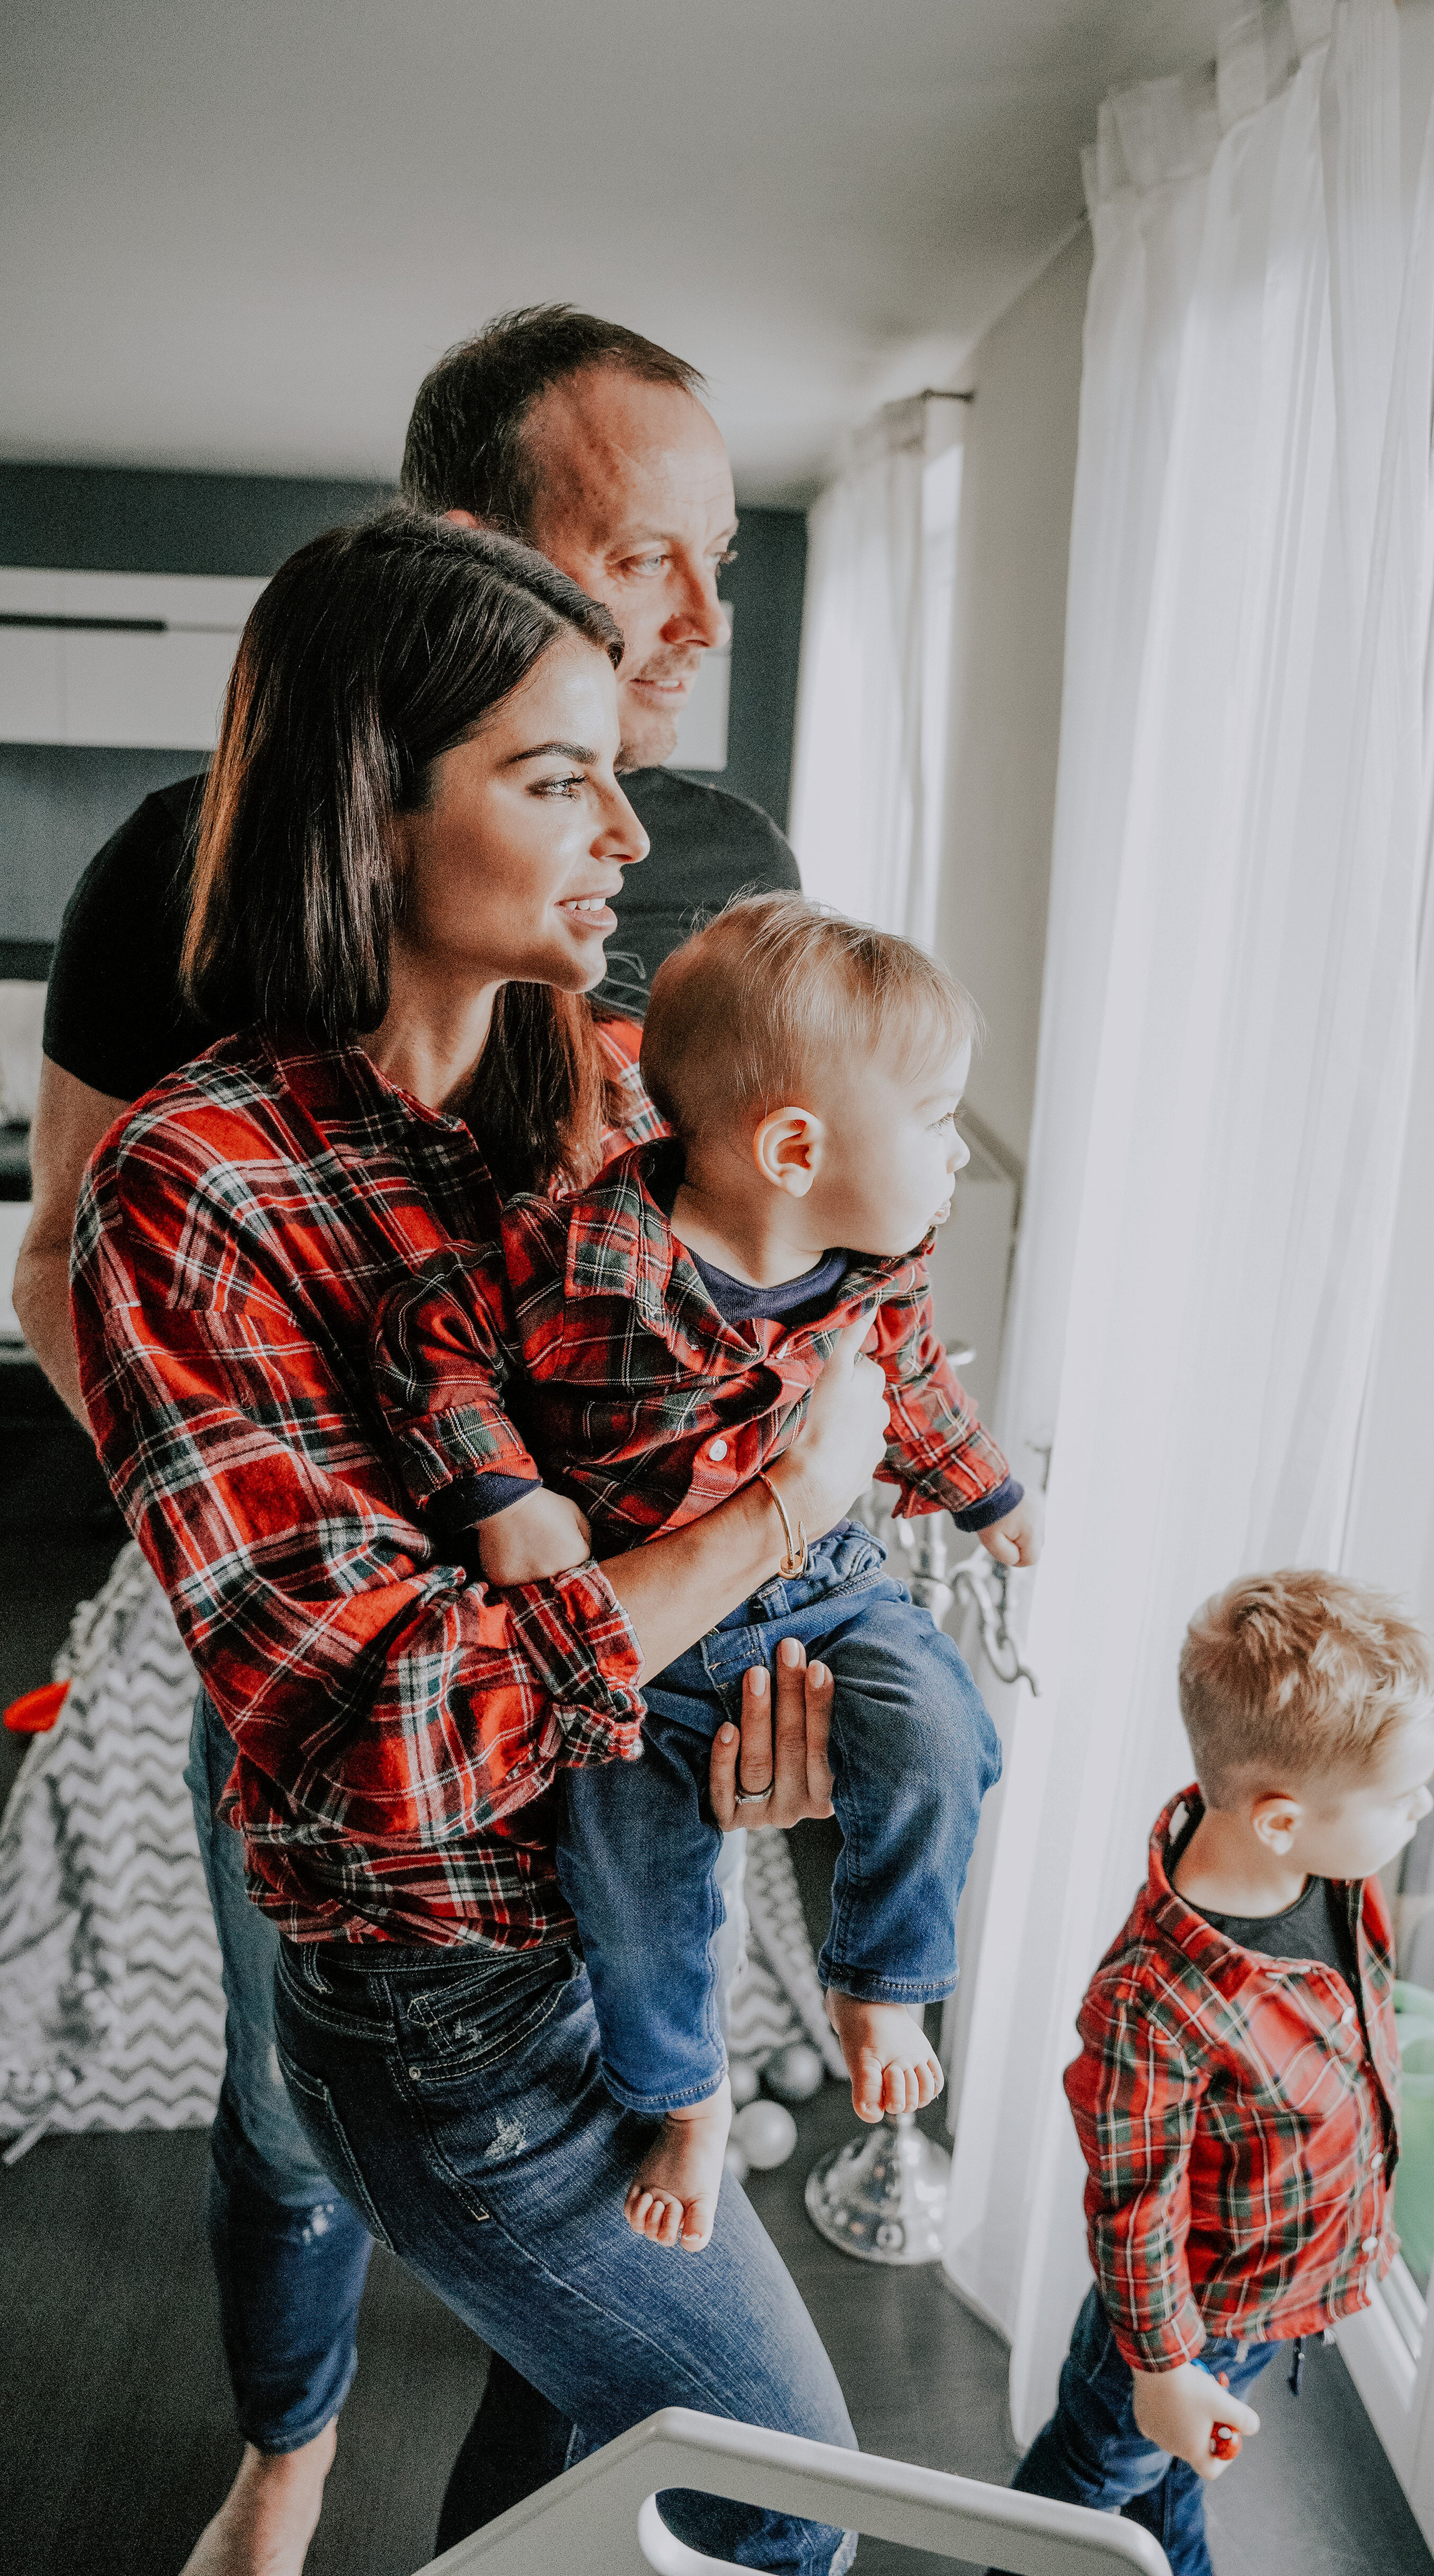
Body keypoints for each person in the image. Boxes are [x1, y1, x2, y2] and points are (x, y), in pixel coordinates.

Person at [14, 307, 798, 2576]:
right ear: (464, 554)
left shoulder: (716, 854)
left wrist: (773, 1608)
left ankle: (554, 2508)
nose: (695, 620)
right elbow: (76, 1246)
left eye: (721, 556)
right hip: (312, 1613)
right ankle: (285, 2443)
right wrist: (256, 1525)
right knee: (288, 2095)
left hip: (639, 1628)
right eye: (645, 552)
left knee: (633, 2120)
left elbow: (770, 1243)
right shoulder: (195, 866)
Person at [368, 895, 1043, 2247]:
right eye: (937, 1120)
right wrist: (501, 1490)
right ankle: (685, 2095)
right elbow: (430, 1340)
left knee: (947, 1731)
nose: (955, 1155)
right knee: (634, 1883)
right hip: (644, 1624)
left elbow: (906, 1385)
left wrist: (985, 1495)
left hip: (830, 1590)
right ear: (795, 1146)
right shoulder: (579, 1260)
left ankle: (884, 1977)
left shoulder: (879, 1265)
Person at [1006, 1468, 1434, 2576]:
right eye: (1407, 1799)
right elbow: (1134, 2208)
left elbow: (1422, 1731)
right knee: (1095, 2474)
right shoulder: (1156, 2000)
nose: (1424, 1806)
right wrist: (1168, 2368)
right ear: (1281, 1817)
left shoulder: (1309, 1843)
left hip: (1269, 2299)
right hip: (1191, 2314)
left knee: (1174, 2472)